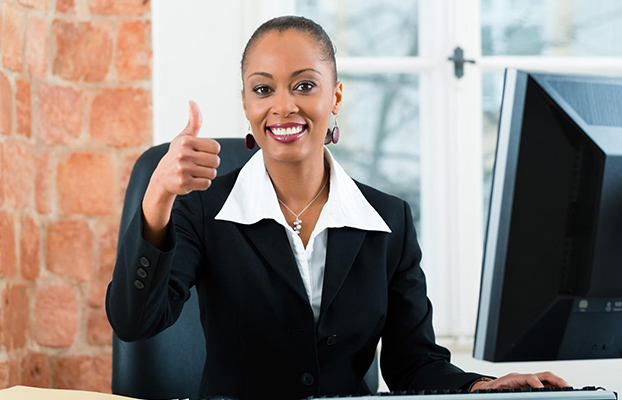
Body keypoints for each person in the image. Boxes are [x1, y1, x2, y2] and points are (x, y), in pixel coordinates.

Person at [106, 15, 569, 400]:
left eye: (304, 85)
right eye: (263, 90)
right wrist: (158, 195)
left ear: (336, 96)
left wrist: (481, 387)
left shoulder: (389, 221)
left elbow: (413, 365)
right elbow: (135, 321)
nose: (283, 106)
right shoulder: (203, 210)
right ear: (246, 102)